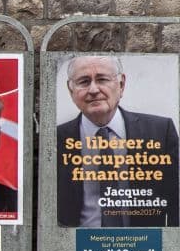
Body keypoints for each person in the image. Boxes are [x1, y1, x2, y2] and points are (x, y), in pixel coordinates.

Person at [56, 55, 179, 227]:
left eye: (102, 79)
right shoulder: (55, 139)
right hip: (80, 242)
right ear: (71, 91)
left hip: (143, 242)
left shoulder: (160, 132)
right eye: (84, 81)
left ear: (121, 85)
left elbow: (176, 202)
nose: (93, 89)